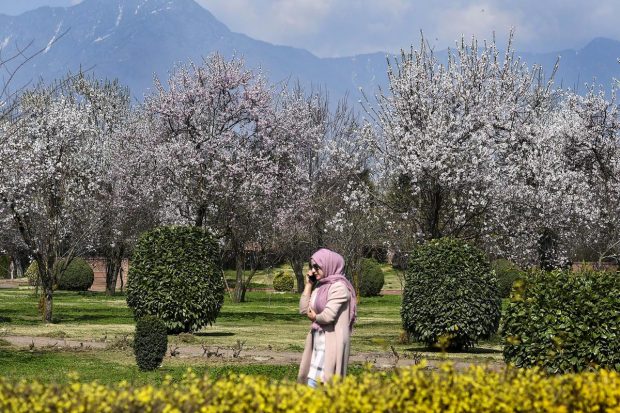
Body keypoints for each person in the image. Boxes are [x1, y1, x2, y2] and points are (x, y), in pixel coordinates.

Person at [297, 248, 357, 387]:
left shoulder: (339, 288)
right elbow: (303, 309)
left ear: (329, 265)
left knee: (323, 383)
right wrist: (309, 285)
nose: (313, 270)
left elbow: (328, 316)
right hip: (317, 342)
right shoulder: (320, 287)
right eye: (312, 266)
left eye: (317, 266)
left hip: (331, 342)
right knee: (311, 379)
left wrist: (315, 317)